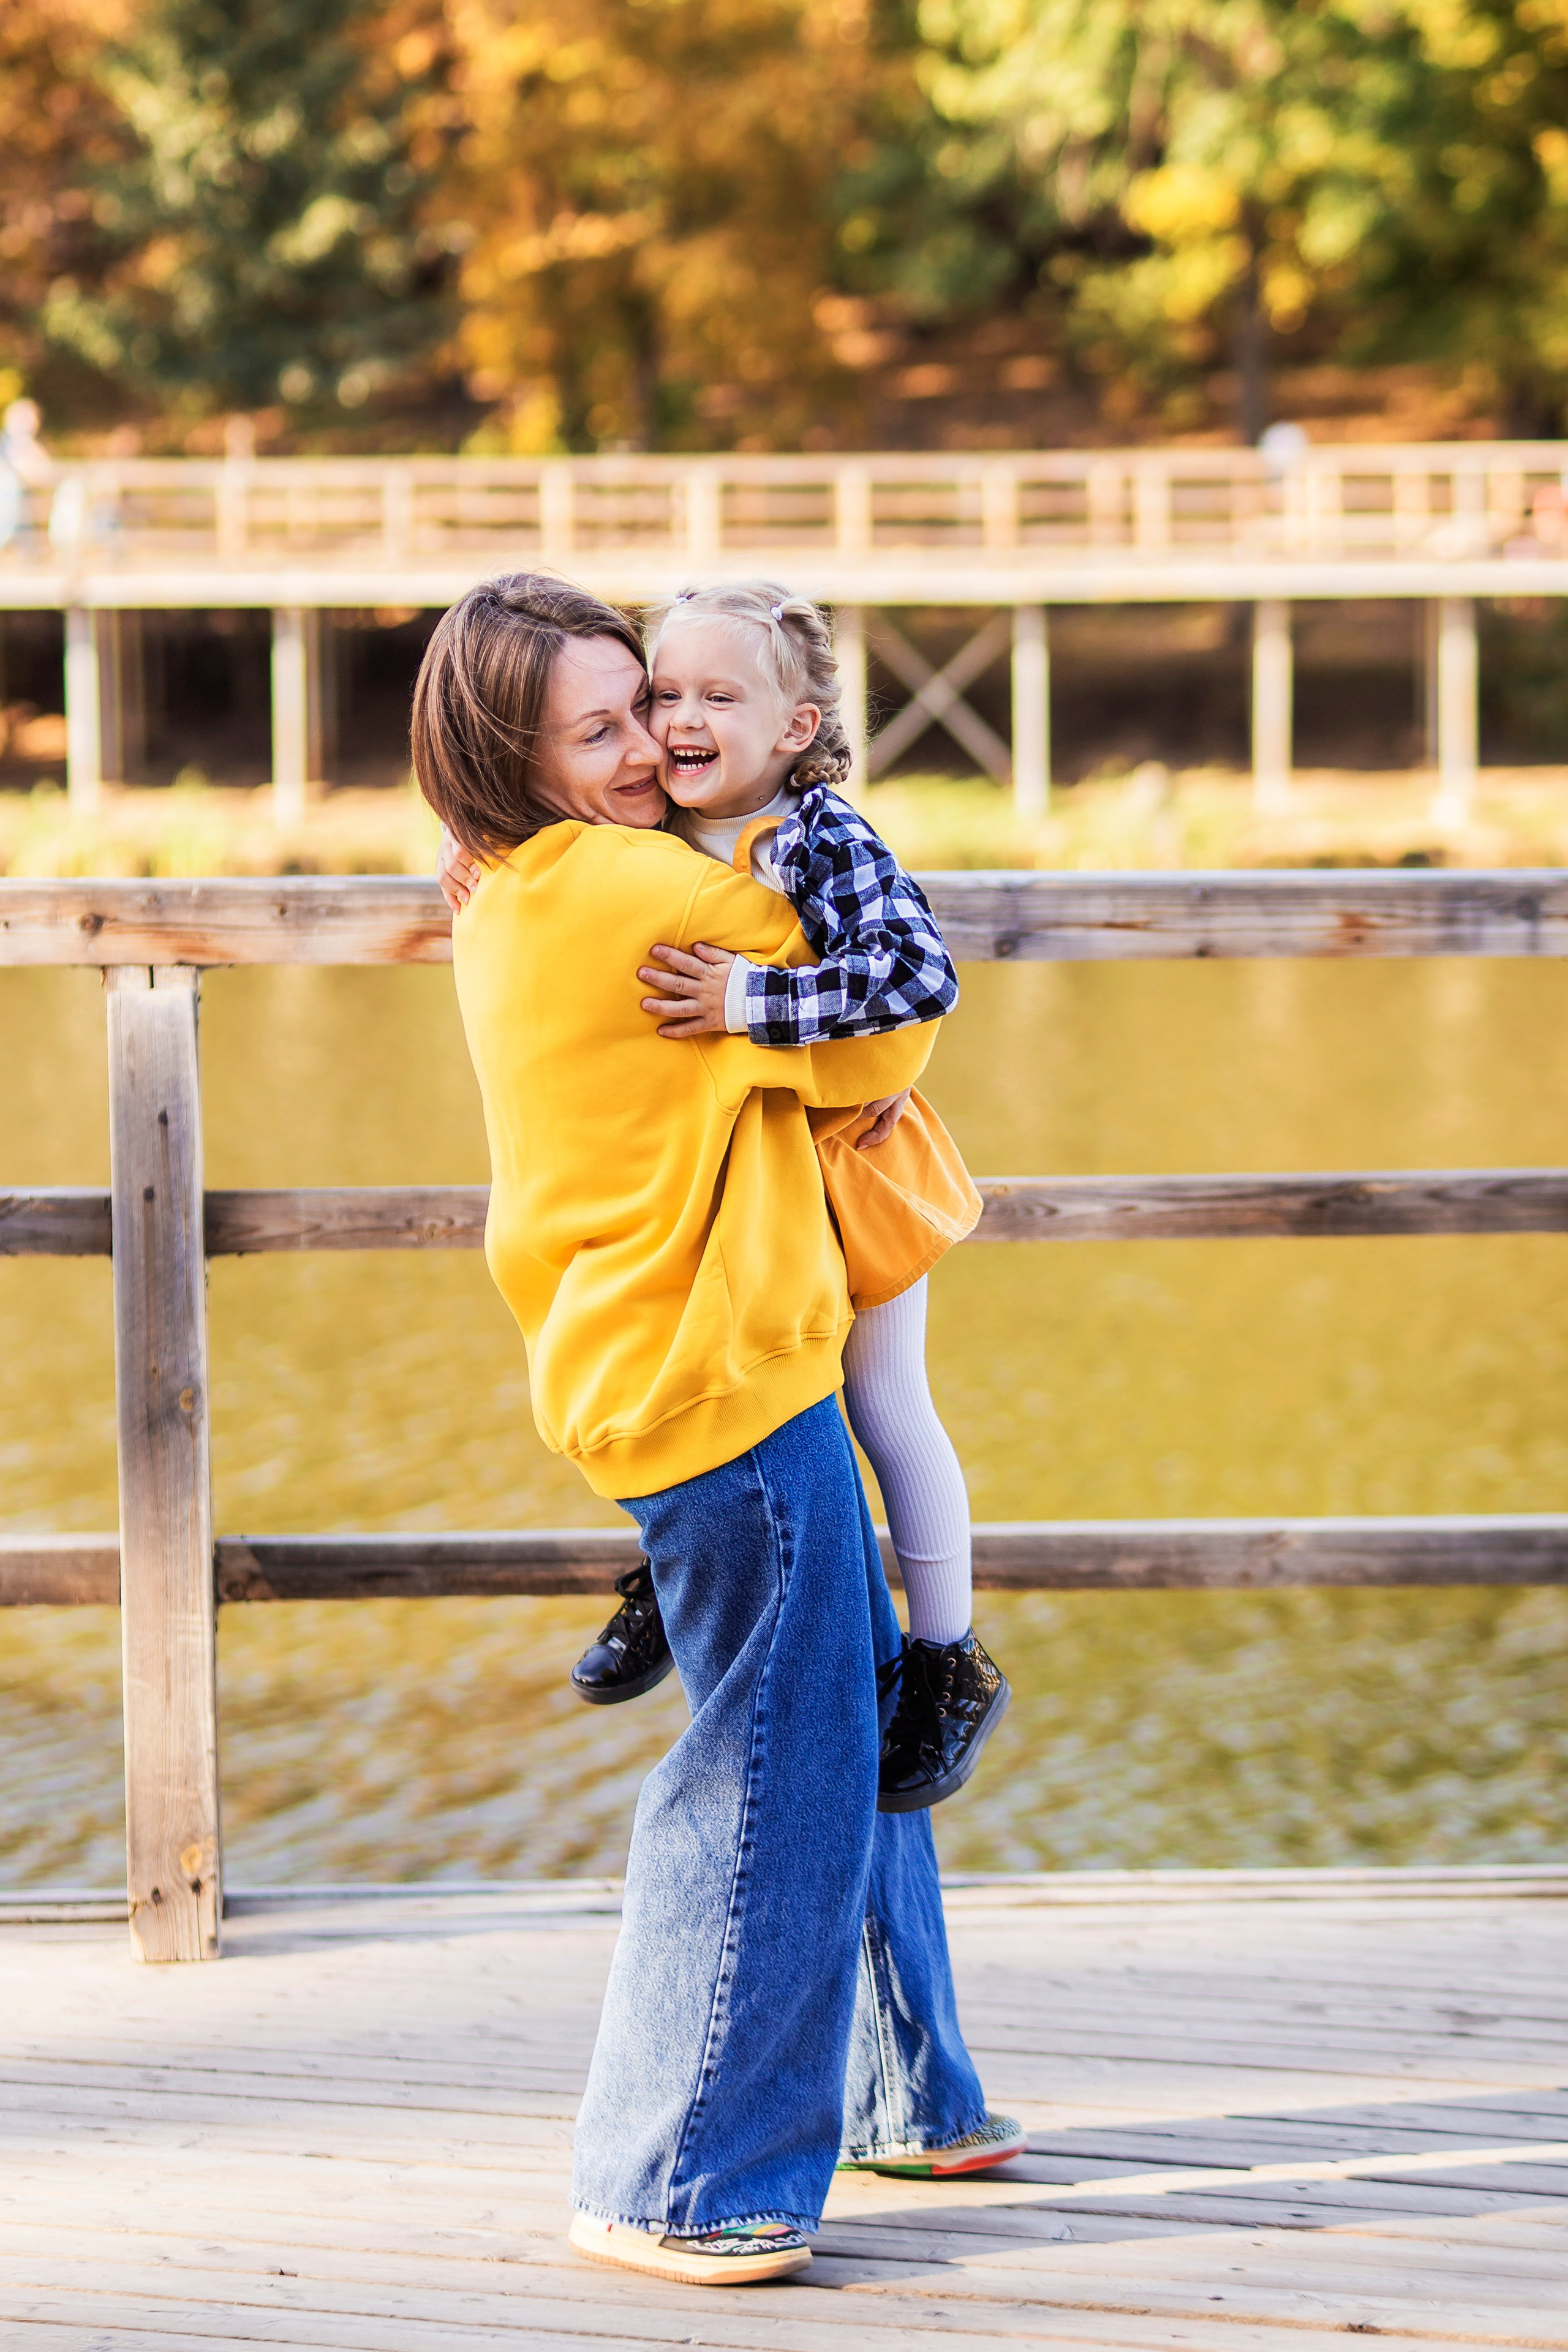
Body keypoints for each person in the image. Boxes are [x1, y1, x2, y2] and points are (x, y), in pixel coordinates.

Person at [415, 572, 1023, 2291]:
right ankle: (679, 2178)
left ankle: (915, 2095)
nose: (651, 748)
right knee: (772, 1773)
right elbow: (889, 1021)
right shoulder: (653, 886)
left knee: (843, 1716)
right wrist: (809, 1026)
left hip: (675, 1356)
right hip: (720, 1377)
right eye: (602, 729)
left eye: (658, 708)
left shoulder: (511, 888)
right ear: (510, 752)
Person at [440, 578, 1011, 1814]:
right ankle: (681, 1561)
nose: (665, 731)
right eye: (643, 706)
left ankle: (949, 1656)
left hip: (858, 1184)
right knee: (805, 1486)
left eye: (705, 701)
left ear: (794, 727)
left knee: (888, 1407)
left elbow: (913, 991)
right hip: (770, 1202)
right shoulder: (668, 840)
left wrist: (751, 1006)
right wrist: (475, 836)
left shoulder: (809, 834)